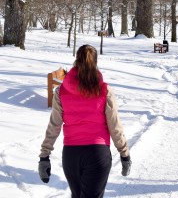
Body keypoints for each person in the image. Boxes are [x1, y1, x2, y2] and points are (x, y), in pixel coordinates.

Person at [38, 44, 131, 198]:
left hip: (71, 155)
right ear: (95, 62)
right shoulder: (104, 90)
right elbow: (114, 125)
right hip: (97, 154)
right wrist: (124, 153)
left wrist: (44, 156)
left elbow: (54, 125)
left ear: (76, 60)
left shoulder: (61, 91)